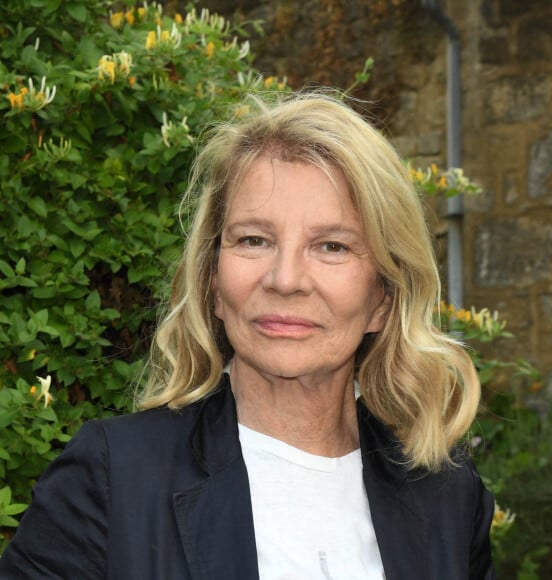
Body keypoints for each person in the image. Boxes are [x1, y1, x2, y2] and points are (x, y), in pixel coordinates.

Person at [0, 91, 496, 579]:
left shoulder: (448, 493)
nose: (285, 279)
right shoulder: (111, 478)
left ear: (383, 299)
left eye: (331, 246)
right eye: (253, 240)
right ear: (213, 283)